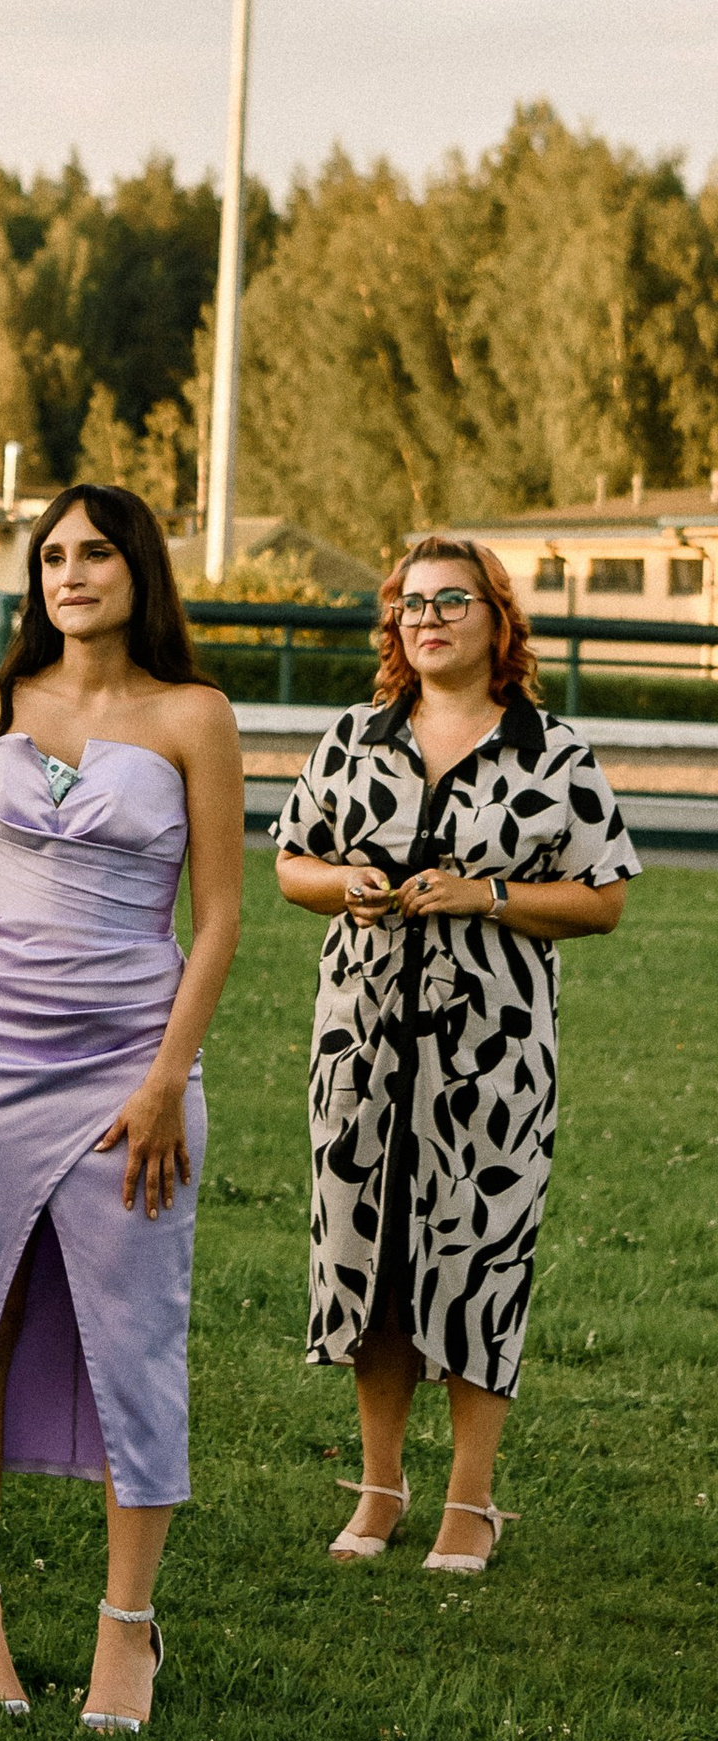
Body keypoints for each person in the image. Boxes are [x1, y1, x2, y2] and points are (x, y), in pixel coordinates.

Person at [0, 484, 243, 1736]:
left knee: (137, 1342)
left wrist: (166, 1076)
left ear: (137, 569)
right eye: (50, 556)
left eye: (93, 552)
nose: (68, 573)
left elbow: (217, 915)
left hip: (133, 1065)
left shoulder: (193, 716)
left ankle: (126, 1631)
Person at [275, 533, 634, 1576]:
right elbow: (290, 861)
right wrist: (345, 881)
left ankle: (468, 1505)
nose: (426, 616)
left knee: (478, 1261)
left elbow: (604, 897)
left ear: (496, 619)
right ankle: (379, 1490)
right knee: (373, 1262)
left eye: (450, 600)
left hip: (493, 1055)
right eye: (410, 602)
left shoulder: (549, 749)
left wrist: (489, 895)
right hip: (359, 1045)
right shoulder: (352, 736)